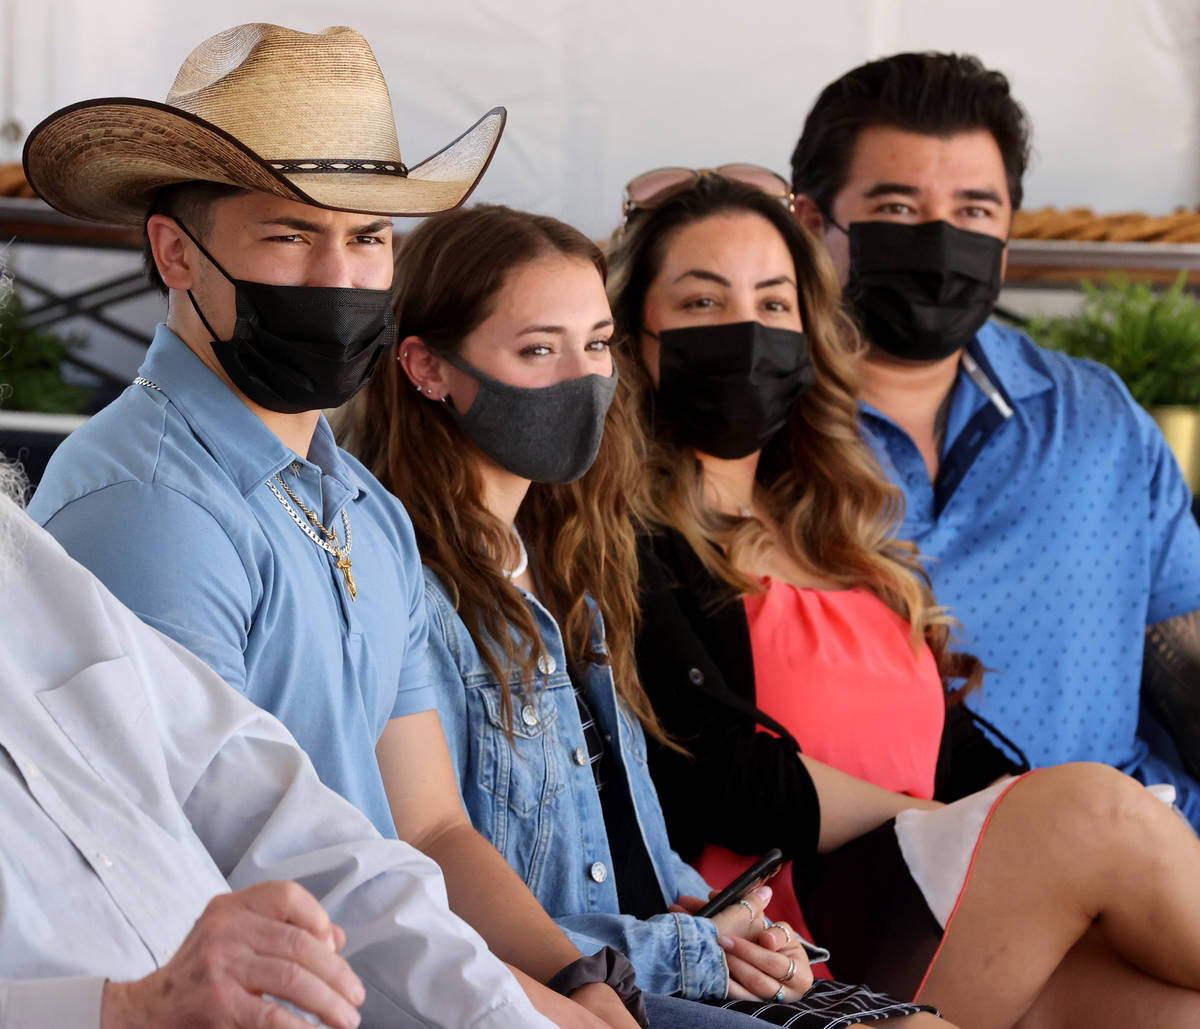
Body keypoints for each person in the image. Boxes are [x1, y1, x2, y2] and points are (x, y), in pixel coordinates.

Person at [23, 23, 642, 1029]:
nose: (340, 277)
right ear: (175, 252)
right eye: (289, 235)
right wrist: (531, 1008)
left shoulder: (359, 505)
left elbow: (432, 828)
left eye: (366, 239)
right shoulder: (148, 507)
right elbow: (198, 869)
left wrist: (577, 983)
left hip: (407, 979)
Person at [609, 168, 1200, 1029]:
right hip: (785, 935)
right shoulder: (630, 536)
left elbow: (958, 753)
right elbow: (716, 775)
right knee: (1089, 805)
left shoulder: (839, 535)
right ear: (633, 338)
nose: (745, 328)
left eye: (775, 304)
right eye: (702, 303)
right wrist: (971, 821)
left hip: (937, 903)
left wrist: (998, 820)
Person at [339, 203, 946, 1028]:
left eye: (595, 345)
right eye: (538, 349)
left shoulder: (569, 564)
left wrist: (726, 924)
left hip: (664, 951)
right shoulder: (405, 579)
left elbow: (628, 833)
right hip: (564, 987)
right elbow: (439, 871)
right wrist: (687, 947)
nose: (580, 378)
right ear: (427, 367)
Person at [0, 455, 557, 1029]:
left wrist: (519, 1013)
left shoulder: (28, 569)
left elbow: (280, 818)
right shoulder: (142, 502)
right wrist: (120, 1013)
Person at [787, 51, 1200, 826]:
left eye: (975, 211)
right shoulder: (751, 437)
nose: (941, 241)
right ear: (813, 226)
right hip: (873, 884)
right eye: (899, 210)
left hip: (1137, 862)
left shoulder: (1096, 418)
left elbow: (1187, 650)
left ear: (1008, 232)